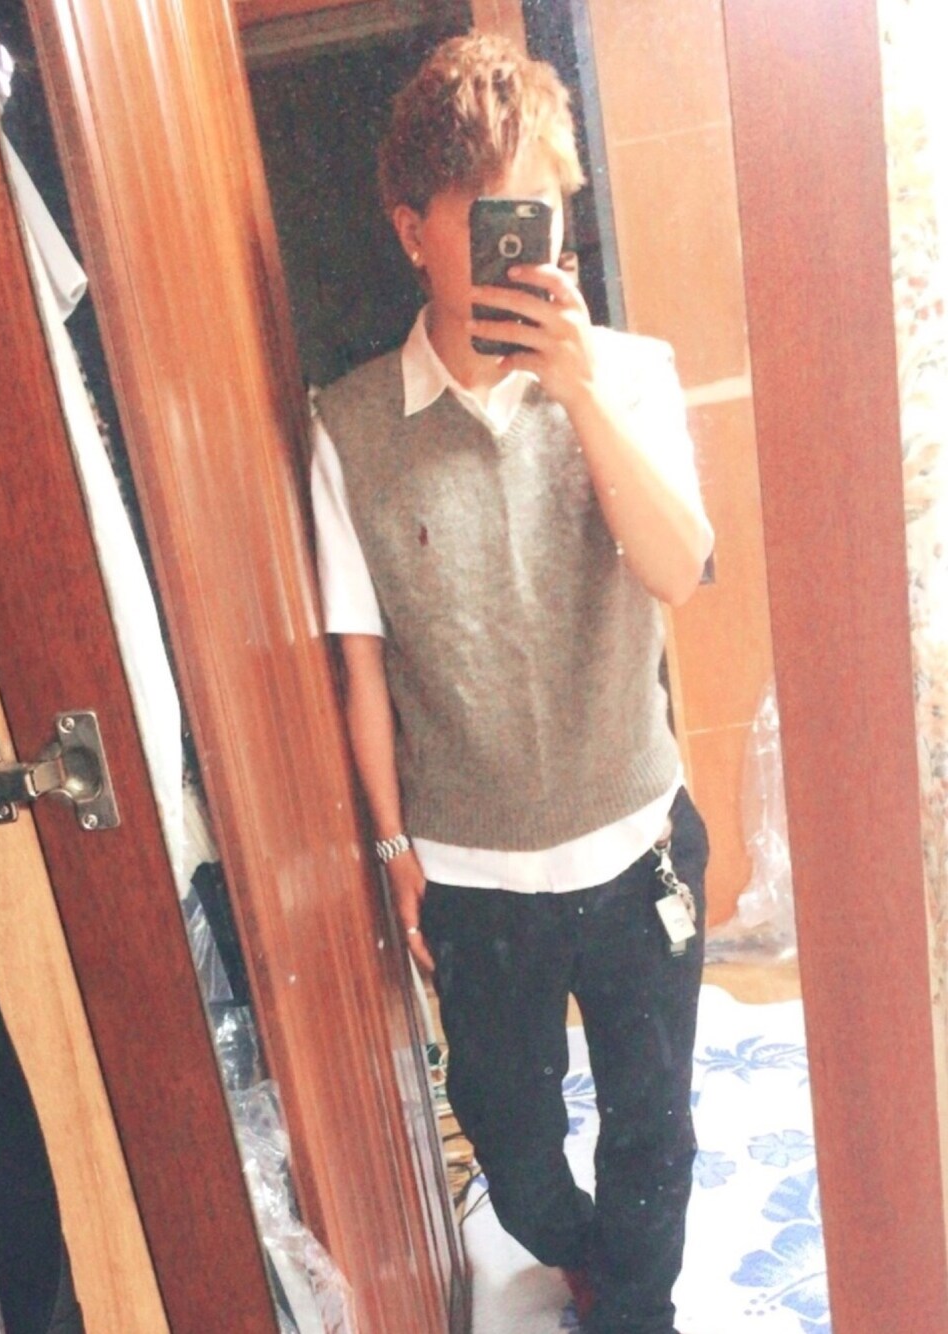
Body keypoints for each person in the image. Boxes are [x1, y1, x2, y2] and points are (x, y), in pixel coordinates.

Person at [310, 31, 714, 1334]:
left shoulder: (629, 374)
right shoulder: (349, 427)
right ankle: (589, 1257)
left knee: (654, 1130)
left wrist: (581, 394)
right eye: (497, 218)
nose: (529, 250)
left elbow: (679, 567)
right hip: (474, 879)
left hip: (636, 847)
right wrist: (391, 845)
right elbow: (360, 656)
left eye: (546, 215)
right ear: (413, 229)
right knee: (517, 1155)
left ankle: (636, 1310)